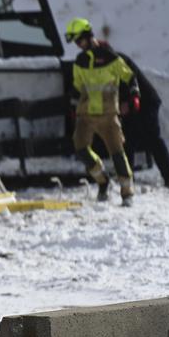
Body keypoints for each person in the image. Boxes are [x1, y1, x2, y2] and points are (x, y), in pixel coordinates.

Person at [64, 17, 140, 206]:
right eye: (76, 42)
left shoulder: (110, 56)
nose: (78, 45)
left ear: (89, 36)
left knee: (117, 152)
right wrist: (73, 106)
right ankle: (103, 182)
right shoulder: (80, 61)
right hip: (86, 115)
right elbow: (77, 86)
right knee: (81, 149)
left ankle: (127, 192)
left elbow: (129, 76)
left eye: (80, 40)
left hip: (108, 115)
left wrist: (134, 95)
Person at [115, 52, 169, 187]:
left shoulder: (118, 61)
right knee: (128, 140)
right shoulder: (107, 62)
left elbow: (131, 81)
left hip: (146, 101)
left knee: (153, 138)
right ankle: (127, 178)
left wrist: (127, 100)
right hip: (132, 104)